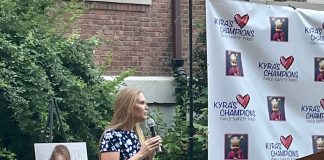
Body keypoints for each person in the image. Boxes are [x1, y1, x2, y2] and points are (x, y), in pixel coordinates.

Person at [99, 87, 162, 160]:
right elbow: (139, 156)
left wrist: (150, 152)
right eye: (142, 103)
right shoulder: (112, 136)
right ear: (128, 107)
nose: (147, 107)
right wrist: (141, 154)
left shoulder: (135, 133)